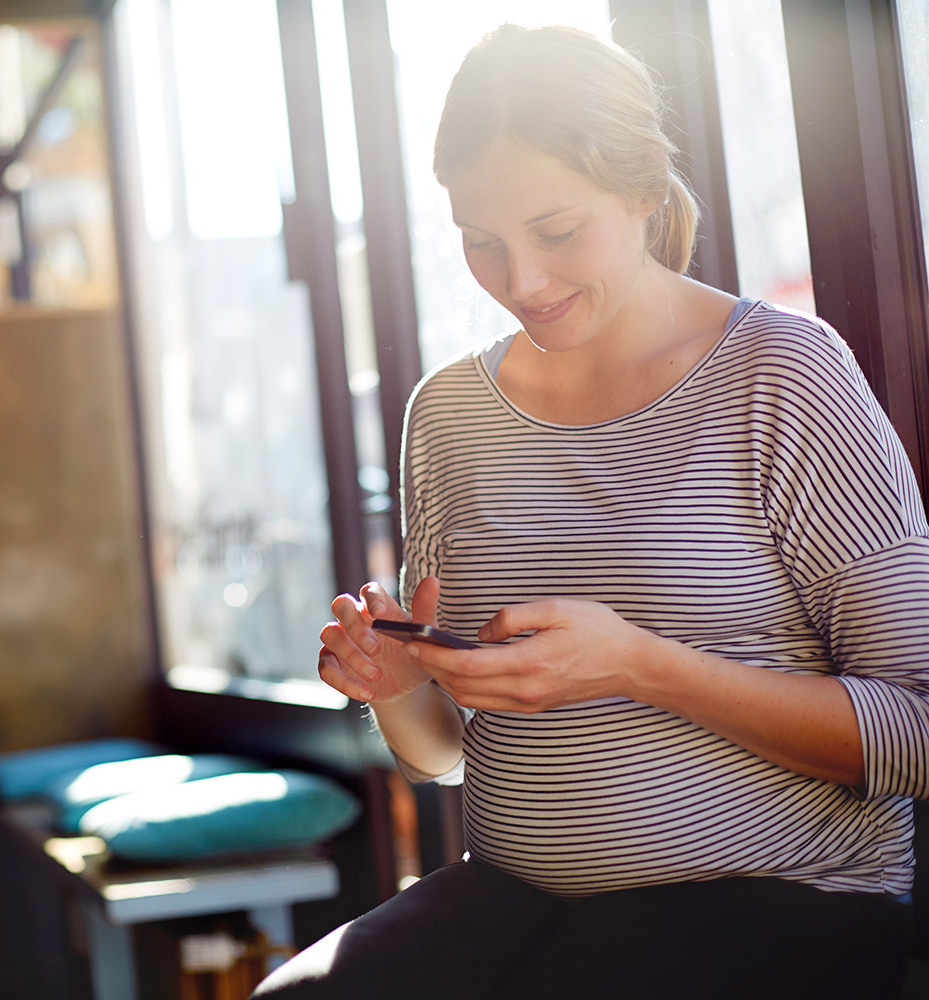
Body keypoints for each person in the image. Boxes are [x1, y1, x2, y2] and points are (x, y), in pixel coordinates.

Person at [253, 22, 928, 999]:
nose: (521, 282)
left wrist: (639, 664)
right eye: (481, 243)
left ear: (643, 191)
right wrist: (396, 684)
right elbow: (445, 751)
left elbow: (916, 730)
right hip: (518, 893)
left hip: (789, 891)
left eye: (557, 232)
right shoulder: (445, 415)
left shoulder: (783, 375)